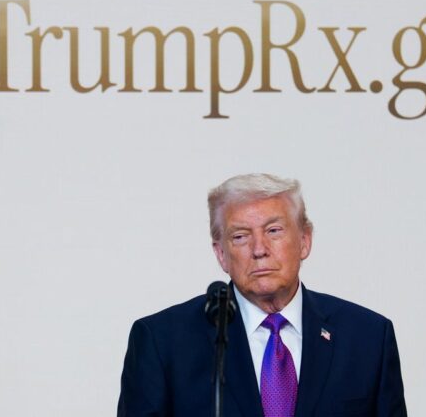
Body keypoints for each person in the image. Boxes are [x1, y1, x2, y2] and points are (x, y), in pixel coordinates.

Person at [118, 173, 407, 416]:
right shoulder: (162, 342)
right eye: (240, 236)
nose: (259, 249)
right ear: (221, 254)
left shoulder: (367, 338)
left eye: (274, 231)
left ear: (304, 240)